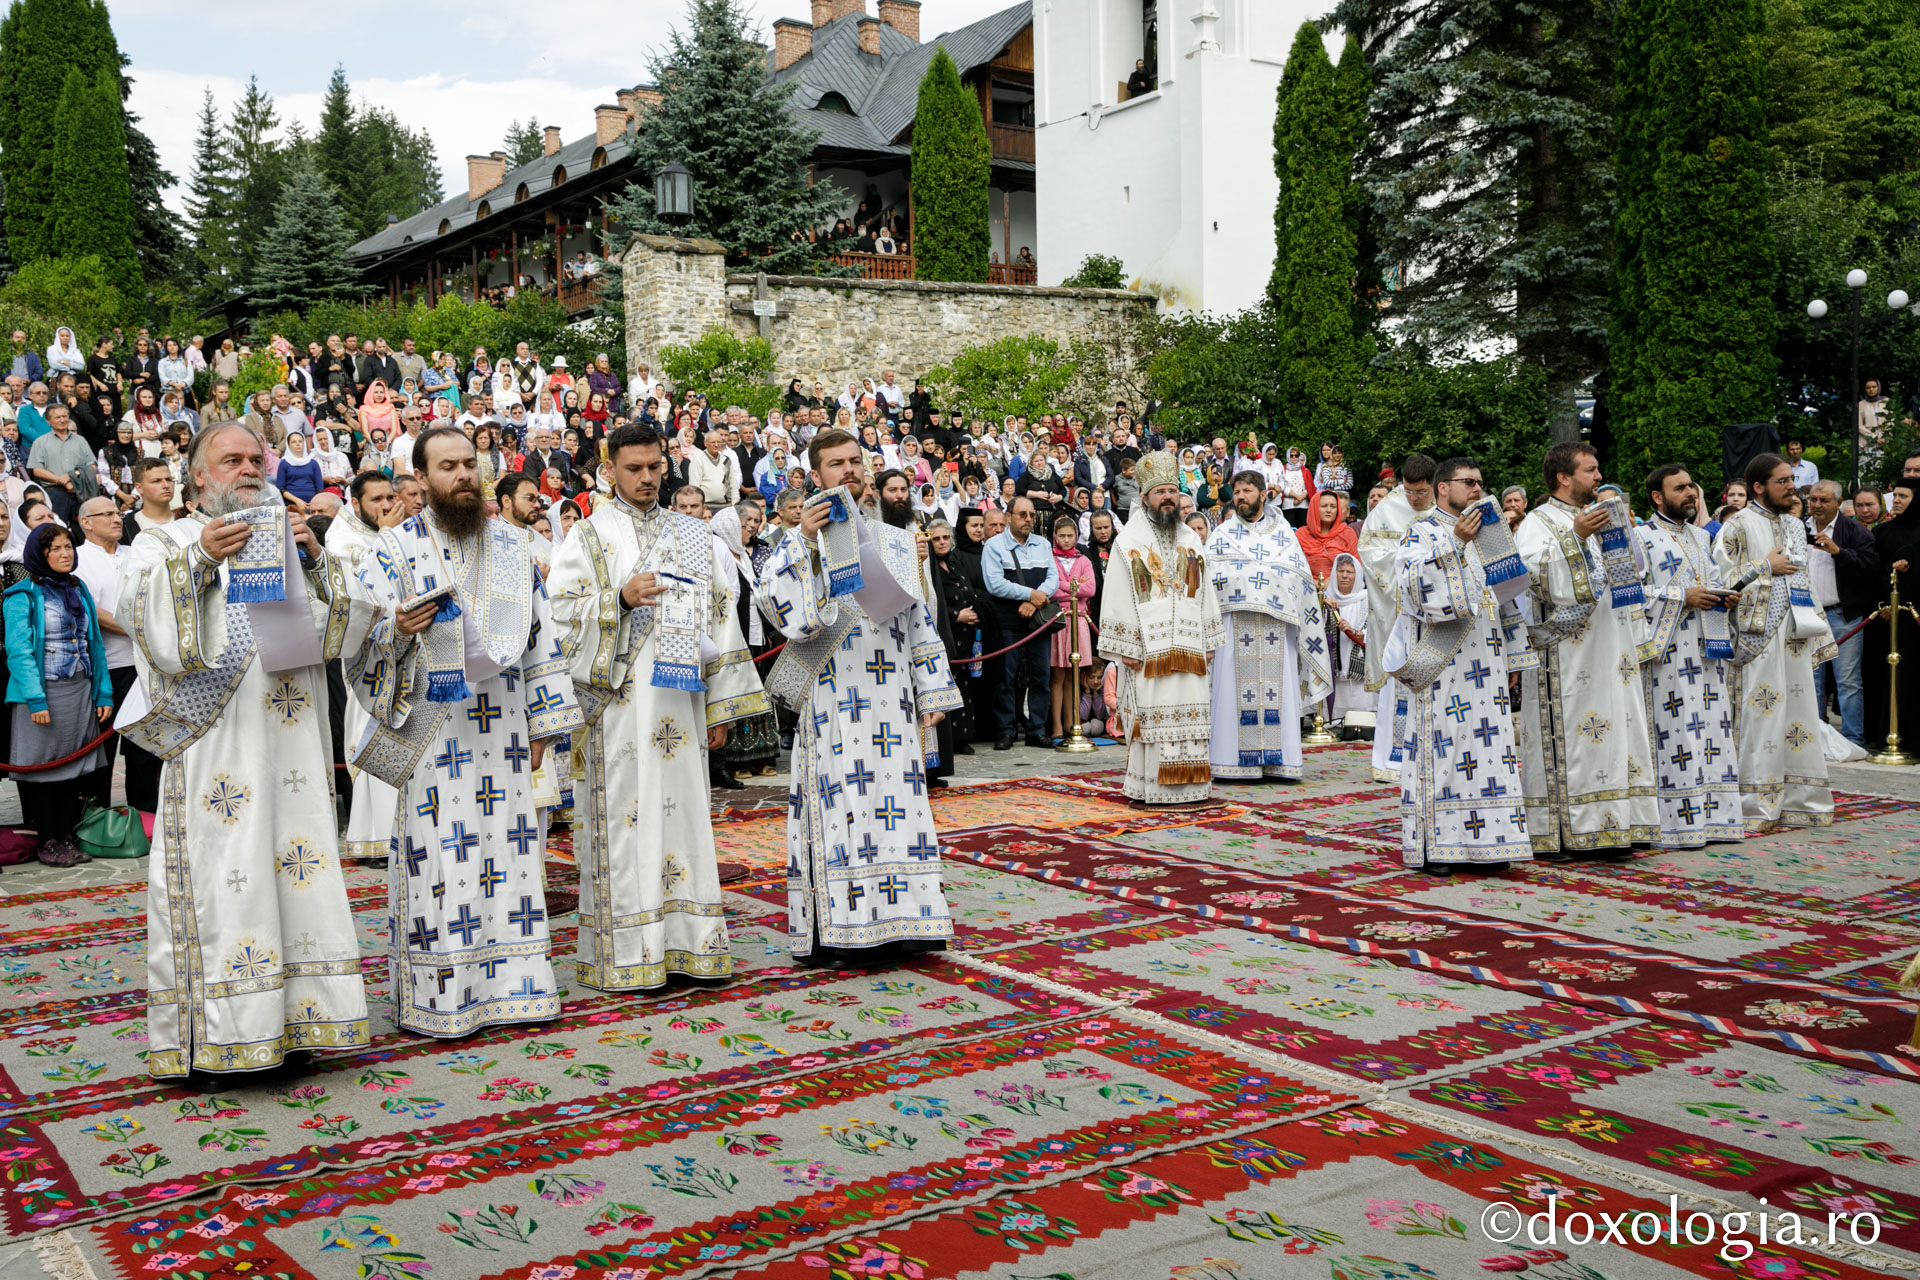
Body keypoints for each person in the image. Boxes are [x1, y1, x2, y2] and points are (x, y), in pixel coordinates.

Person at [119, 423, 369, 1081]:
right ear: (199, 478)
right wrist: (201, 560)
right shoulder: (164, 542)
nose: (250, 468)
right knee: (223, 887)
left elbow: (346, 633)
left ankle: (297, 1025)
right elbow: (141, 619)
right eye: (231, 459)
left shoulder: (292, 538)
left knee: (296, 883)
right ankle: (219, 1039)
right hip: (215, 755)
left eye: (257, 458)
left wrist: (315, 560)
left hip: (293, 749)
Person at [346, 427, 583, 1038]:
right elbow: (356, 644)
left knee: (510, 859)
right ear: (421, 478)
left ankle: (516, 990)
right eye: (447, 466)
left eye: (469, 464)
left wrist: (544, 722)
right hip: (431, 733)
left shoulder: (512, 544)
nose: (463, 475)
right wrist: (396, 629)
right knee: (439, 863)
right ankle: (442, 996)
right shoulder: (391, 551)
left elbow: (540, 637)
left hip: (502, 727)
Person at [549, 424, 769, 991]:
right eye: (634, 469)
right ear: (609, 470)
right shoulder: (589, 535)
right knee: (627, 823)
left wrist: (719, 707)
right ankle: (629, 953)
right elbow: (560, 614)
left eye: (654, 467)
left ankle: (689, 946)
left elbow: (720, 613)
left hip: (682, 705)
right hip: (620, 709)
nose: (646, 478)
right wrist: (618, 600)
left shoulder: (693, 534)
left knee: (684, 819)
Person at [753, 428, 963, 967]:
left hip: (892, 699)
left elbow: (919, 619)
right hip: (832, 699)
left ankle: (905, 925)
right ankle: (841, 929)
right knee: (840, 811)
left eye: (854, 461)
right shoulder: (792, 545)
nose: (848, 470)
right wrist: (805, 543)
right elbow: (782, 615)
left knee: (897, 811)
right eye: (835, 464)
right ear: (814, 476)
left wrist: (932, 688)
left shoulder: (896, 540)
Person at [1515, 443, 1659, 859]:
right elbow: (1536, 577)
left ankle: (1617, 826)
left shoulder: (1599, 516)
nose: (1599, 477)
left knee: (1618, 736)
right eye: (1591, 470)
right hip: (1567, 656)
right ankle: (1570, 831)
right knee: (1577, 742)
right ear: (1564, 477)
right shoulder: (1538, 521)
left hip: (1612, 647)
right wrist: (1576, 537)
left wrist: (1623, 536)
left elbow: (1630, 576)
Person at [1391, 457, 1534, 873]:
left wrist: (1512, 655)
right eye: (1468, 482)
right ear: (1443, 487)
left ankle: (1490, 844)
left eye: (1480, 482)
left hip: (1487, 662)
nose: (1477, 489)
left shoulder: (1490, 534)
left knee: (1490, 754)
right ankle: (1436, 846)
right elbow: (1413, 591)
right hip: (1444, 667)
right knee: (1445, 751)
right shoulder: (1420, 532)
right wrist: (1454, 543)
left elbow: (1504, 597)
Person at [1715, 453, 1837, 829]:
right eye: (1782, 481)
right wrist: (1765, 568)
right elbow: (1722, 581)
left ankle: (1801, 799)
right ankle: (1756, 805)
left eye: (1791, 480)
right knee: (1762, 720)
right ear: (1758, 487)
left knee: (1799, 717)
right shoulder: (1737, 526)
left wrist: (1816, 629)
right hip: (1758, 639)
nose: (1791, 488)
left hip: (1794, 634)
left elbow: (1801, 578)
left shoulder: (1795, 525)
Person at [1098, 450, 1226, 805]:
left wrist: (1209, 639)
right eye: (1160, 492)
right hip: (1148, 650)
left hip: (1190, 646)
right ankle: (1150, 789)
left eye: (1172, 491)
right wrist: (1127, 647)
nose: (1167, 497)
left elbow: (1204, 590)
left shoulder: (1191, 539)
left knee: (1191, 715)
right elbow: (1117, 594)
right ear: (1144, 497)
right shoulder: (1128, 541)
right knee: (1152, 719)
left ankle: (1193, 788)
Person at [1637, 465, 1744, 846]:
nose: (1690, 494)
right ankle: (1675, 825)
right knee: (1678, 734)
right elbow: (1630, 593)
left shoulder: (1701, 536)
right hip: (1667, 655)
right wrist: (1681, 596)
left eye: (1691, 487)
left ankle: (1714, 818)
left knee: (1712, 731)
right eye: (1680, 488)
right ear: (1657, 496)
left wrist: (1723, 596)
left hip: (1706, 652)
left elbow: (1710, 581)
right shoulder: (1641, 537)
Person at [1204, 469, 1330, 781]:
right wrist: (1249, 583)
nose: (1240, 497)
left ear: (1263, 494)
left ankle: (1280, 762)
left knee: (1279, 691)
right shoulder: (1222, 535)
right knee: (1232, 692)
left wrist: (1267, 585)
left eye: (1247, 491)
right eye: (1237, 492)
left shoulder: (1284, 535)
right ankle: (1230, 763)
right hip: (1234, 625)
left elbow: (1298, 580)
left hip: (1277, 627)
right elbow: (1208, 580)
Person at [4, 522, 114, 866]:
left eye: (69, 547)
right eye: (56, 549)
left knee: (73, 769)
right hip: (42, 695)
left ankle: (66, 836)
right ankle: (47, 840)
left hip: (79, 690)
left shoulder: (78, 588)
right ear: (40, 554)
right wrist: (35, 699)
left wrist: (104, 693)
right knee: (42, 770)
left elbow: (94, 644)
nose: (65, 554)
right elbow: (19, 652)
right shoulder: (21, 595)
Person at [326, 472, 401, 861]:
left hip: (403, 650)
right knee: (369, 739)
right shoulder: (341, 540)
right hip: (366, 659)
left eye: (390, 497)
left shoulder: (388, 532)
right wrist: (389, 537)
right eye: (376, 499)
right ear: (355, 503)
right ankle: (374, 837)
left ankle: (401, 833)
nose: (386, 506)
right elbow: (363, 585)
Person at [73, 497, 157, 813]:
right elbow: (91, 610)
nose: (117, 518)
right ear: (86, 522)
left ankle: (145, 813)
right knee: (102, 747)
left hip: (144, 664)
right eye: (106, 514)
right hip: (106, 667)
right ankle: (96, 818)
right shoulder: (78, 559)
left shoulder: (135, 553)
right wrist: (140, 629)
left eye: (118, 512)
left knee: (144, 746)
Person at [1357, 455, 1436, 782]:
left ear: (1435, 485)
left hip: (1437, 618)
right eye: (1409, 491)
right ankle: (1393, 762)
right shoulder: (1386, 510)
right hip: (1400, 617)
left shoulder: (1447, 510)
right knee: (1398, 687)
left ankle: (1433, 760)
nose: (1414, 498)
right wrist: (1412, 565)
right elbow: (1368, 551)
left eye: (1421, 492)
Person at [981, 495, 1057, 749]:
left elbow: (1053, 579)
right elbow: (995, 583)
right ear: (1008, 517)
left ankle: (1037, 729)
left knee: (1040, 675)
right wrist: (1030, 594)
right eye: (1023, 514)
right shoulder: (993, 546)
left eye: (1032, 515)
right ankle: (1006, 730)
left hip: (1037, 617)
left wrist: (1035, 600)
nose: (1028, 519)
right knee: (1006, 676)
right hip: (1006, 620)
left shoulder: (1043, 544)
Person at [1805, 479, 1876, 749]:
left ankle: (1852, 740)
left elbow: (1869, 568)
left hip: (1842, 616)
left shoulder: (1855, 531)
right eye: (1813, 499)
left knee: (1848, 682)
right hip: (1806, 616)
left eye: (1824, 500)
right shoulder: (1798, 528)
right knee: (1811, 680)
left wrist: (1838, 552)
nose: (1817, 505)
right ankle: (1813, 740)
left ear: (1837, 502)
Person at [1865, 478, 1920, 753]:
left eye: (1903, 496)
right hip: (1883, 619)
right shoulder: (1882, 532)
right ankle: (1882, 734)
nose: (1896, 501)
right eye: (1894, 496)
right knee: (1880, 676)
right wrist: (1883, 605)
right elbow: (1873, 572)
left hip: (1914, 620)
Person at [1047, 513, 1097, 742]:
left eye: (1070, 536)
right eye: (1062, 536)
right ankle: (1056, 725)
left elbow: (1091, 589)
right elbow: (1051, 589)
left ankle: (1071, 722)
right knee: (1057, 674)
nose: (1066, 540)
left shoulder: (1083, 559)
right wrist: (1074, 587)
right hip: (1058, 619)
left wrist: (1064, 587)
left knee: (1072, 675)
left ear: (1076, 537)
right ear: (1055, 536)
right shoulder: (1050, 558)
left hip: (1079, 619)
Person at [1327, 551, 1370, 730]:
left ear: (1357, 575)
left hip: (1359, 673)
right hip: (1334, 674)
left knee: (1361, 724)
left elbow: (1379, 628)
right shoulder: (1325, 599)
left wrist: (1360, 633)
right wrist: (1324, 605)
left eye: (1349, 572)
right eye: (1341, 571)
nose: (1344, 576)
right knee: (1333, 725)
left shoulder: (1367, 599)